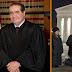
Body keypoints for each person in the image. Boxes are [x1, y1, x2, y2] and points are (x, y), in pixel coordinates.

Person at [0, 3, 46, 72]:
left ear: (24, 13)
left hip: (27, 69)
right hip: (7, 68)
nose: (14, 15)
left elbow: (37, 50)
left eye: (17, 12)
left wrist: (18, 63)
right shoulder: (4, 31)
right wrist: (9, 64)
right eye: (11, 13)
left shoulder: (34, 29)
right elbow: (0, 49)